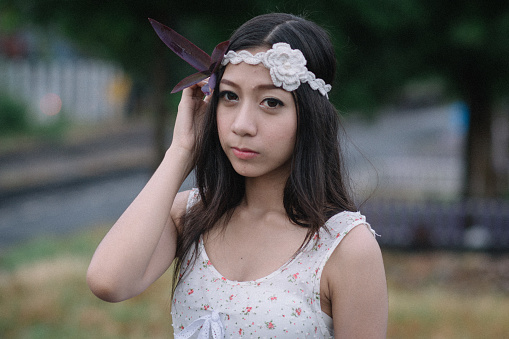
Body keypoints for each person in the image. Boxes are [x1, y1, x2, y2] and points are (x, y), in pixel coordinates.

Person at [87, 13, 388, 338]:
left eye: (271, 102)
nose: (242, 125)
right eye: (229, 96)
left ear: (310, 117)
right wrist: (181, 151)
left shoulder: (344, 246)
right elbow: (108, 281)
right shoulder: (191, 215)